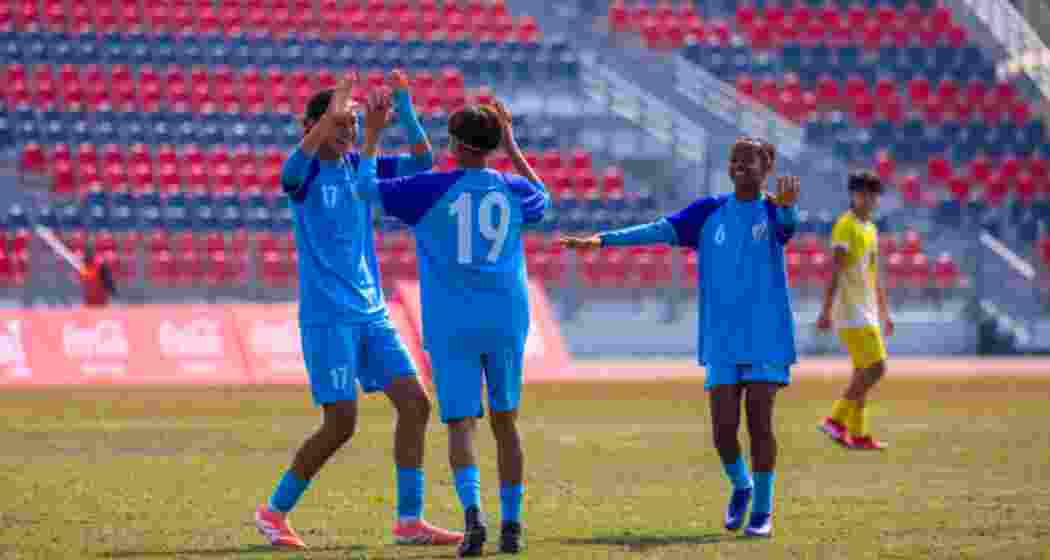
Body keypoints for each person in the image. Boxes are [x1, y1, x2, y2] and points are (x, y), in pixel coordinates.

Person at [253, 71, 462, 549]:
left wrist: (401, 113)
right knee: (341, 422)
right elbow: (286, 176)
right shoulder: (304, 174)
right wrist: (332, 119)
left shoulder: (357, 165)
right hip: (329, 316)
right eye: (339, 124)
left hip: (372, 312)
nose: (347, 131)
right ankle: (272, 512)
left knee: (415, 404)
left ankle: (409, 521)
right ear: (312, 124)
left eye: (350, 124)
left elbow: (423, 160)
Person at [561, 137, 800, 538]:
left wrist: (789, 205)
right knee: (724, 434)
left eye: (750, 160)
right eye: (735, 160)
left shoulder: (774, 211)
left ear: (767, 165)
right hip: (722, 339)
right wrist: (602, 240)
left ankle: (762, 510)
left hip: (766, 335)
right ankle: (741, 486)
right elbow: (657, 230)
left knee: (760, 423)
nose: (740, 165)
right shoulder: (708, 212)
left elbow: (788, 230)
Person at [355, 98, 548, 557]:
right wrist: (515, 148)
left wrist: (373, 136)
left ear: (455, 144)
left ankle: (474, 519)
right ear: (493, 144)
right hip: (506, 317)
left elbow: (365, 189)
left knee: (461, 425)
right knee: (506, 423)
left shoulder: (430, 187)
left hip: (452, 322)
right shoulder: (512, 188)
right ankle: (513, 526)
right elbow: (547, 199)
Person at [817, 170, 893, 451]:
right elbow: (835, 270)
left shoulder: (871, 229)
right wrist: (825, 309)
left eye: (873, 194)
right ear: (853, 195)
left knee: (862, 371)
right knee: (877, 367)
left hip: (868, 310)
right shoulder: (845, 226)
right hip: (850, 311)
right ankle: (835, 419)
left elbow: (874, 275)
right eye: (863, 193)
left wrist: (884, 312)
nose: (869, 199)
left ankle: (859, 434)